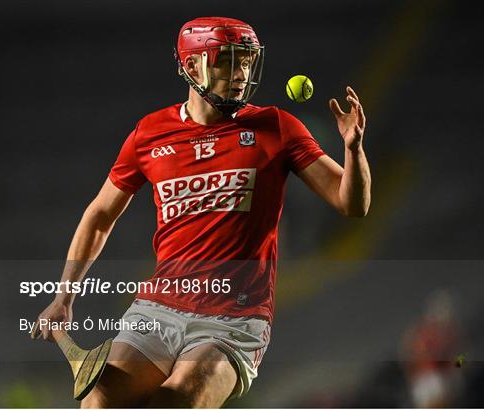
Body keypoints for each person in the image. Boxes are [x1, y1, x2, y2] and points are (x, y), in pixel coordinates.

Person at [34, 16, 371, 408]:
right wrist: (64, 296)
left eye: (246, 61)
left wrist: (353, 148)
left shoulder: (277, 127)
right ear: (192, 66)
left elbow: (353, 204)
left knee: (174, 402)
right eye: (227, 61)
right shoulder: (150, 133)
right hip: (158, 309)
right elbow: (100, 215)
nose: (241, 73)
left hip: (232, 320)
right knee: (99, 402)